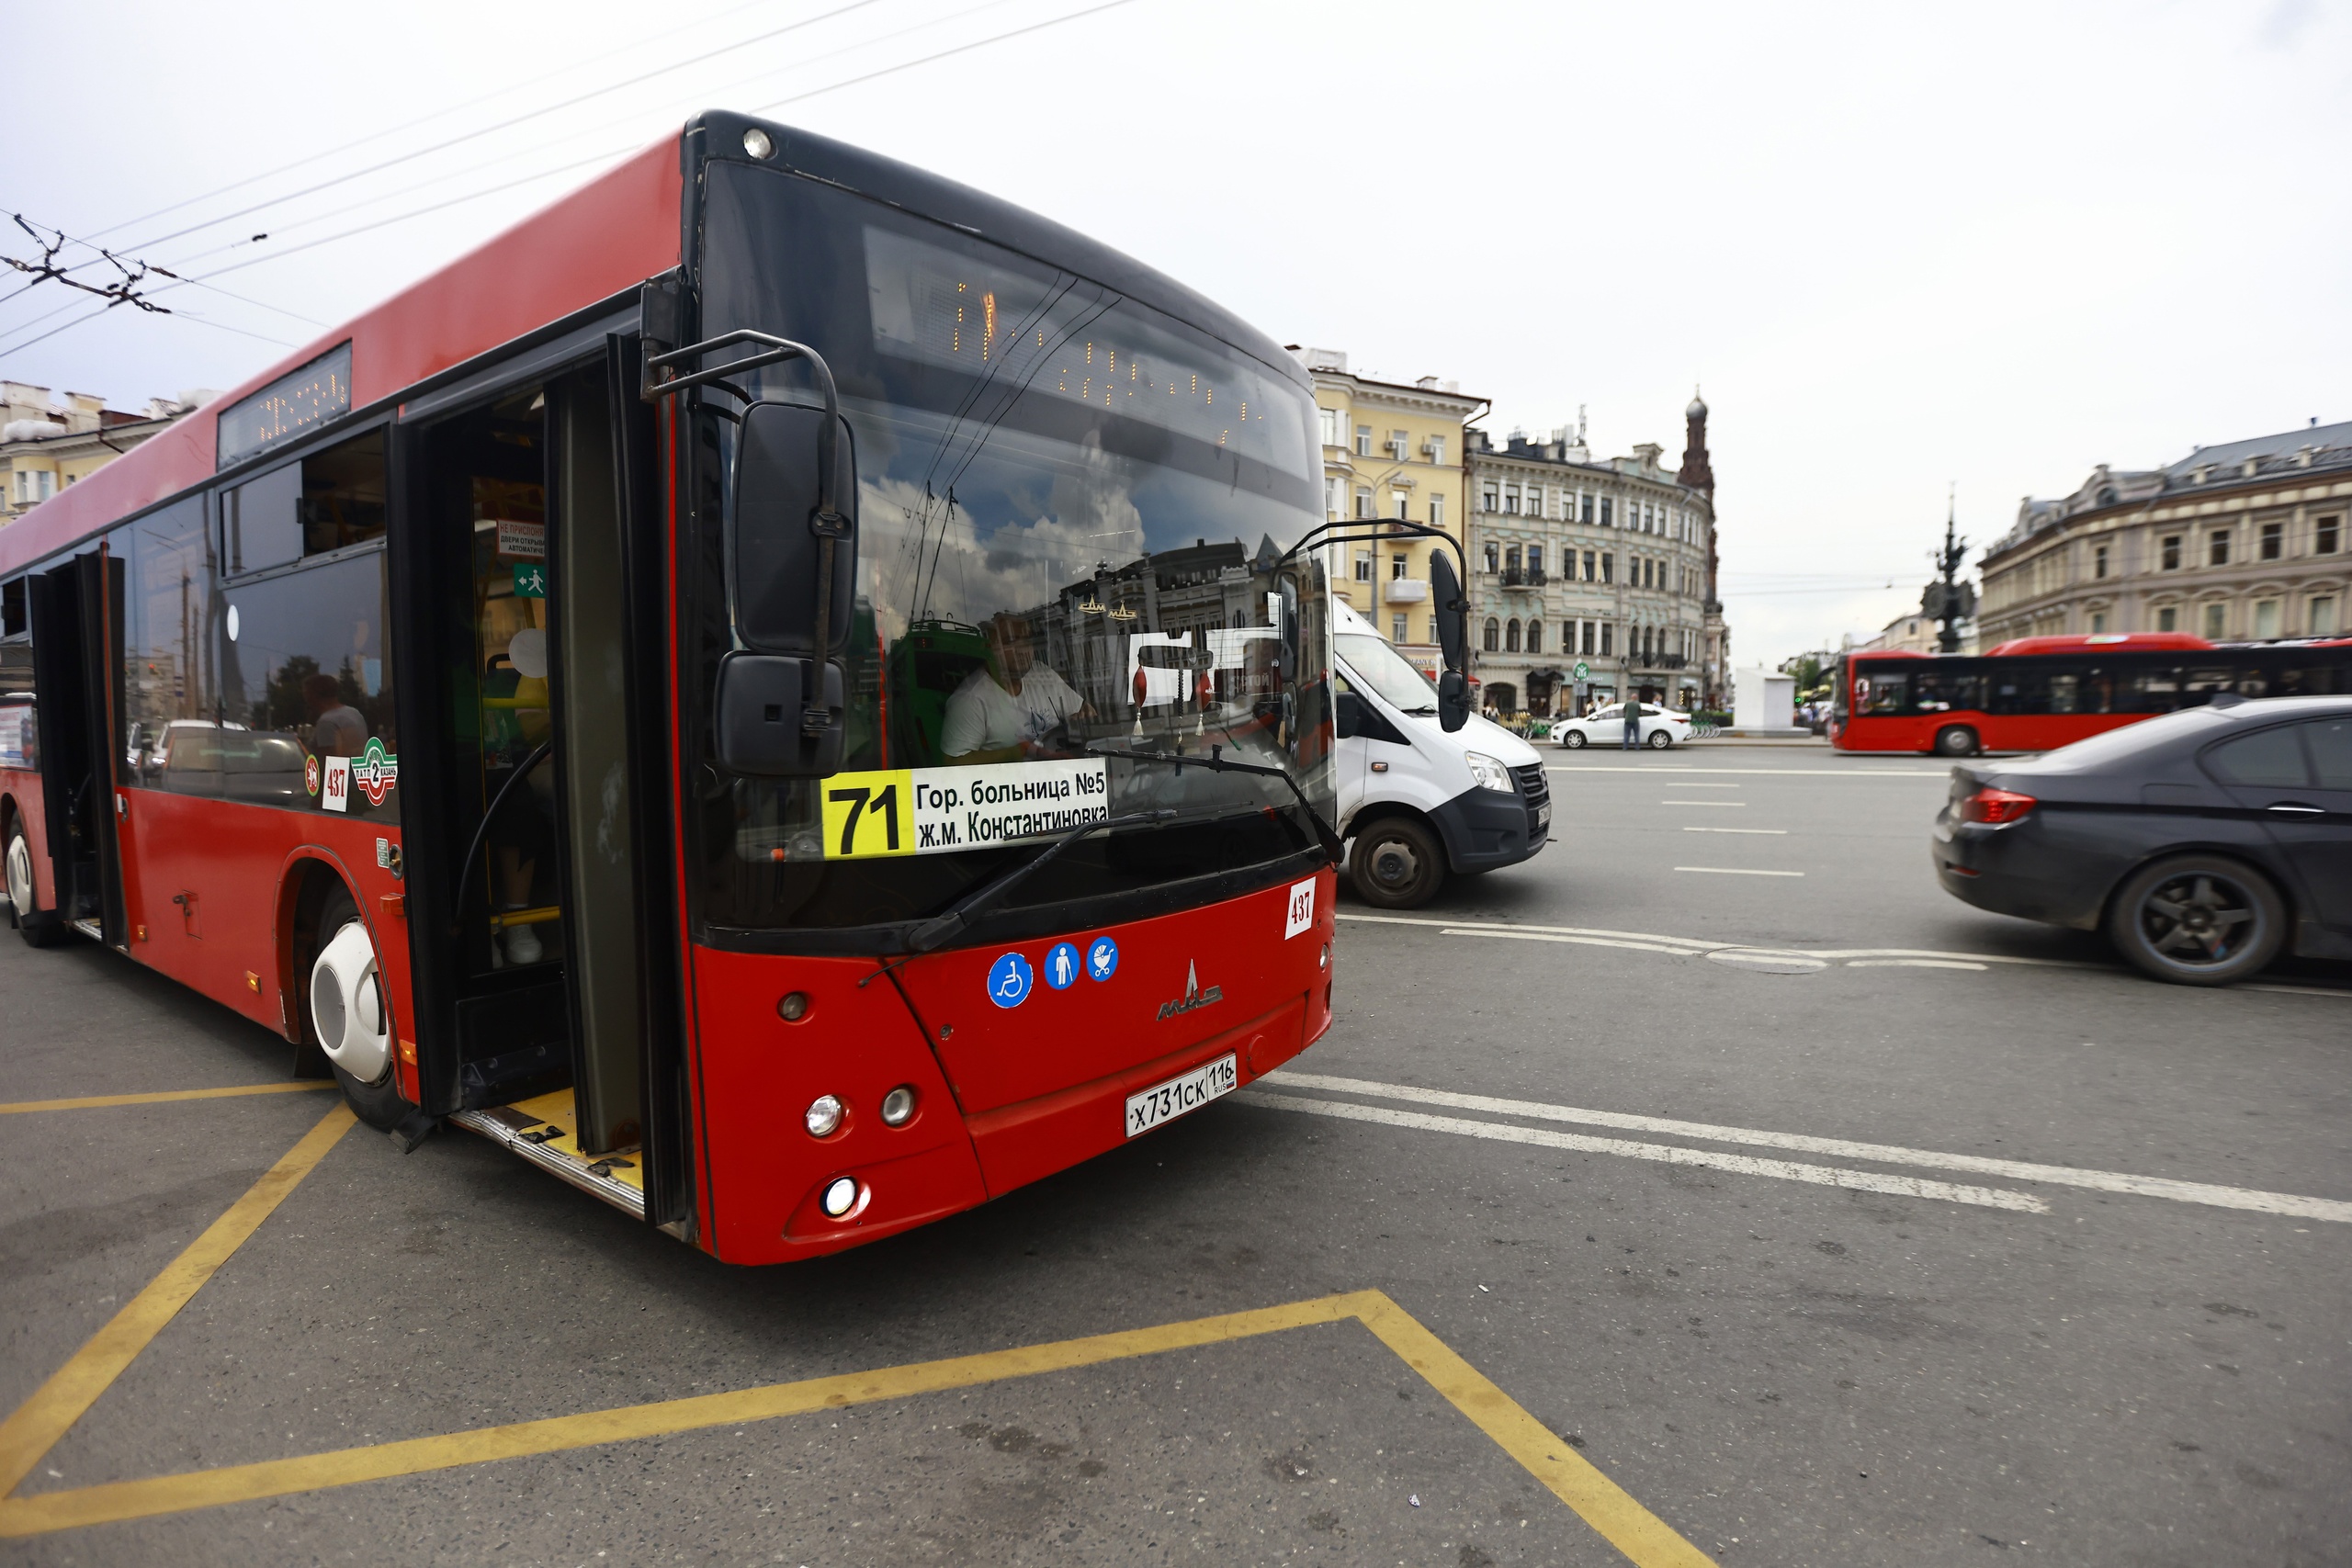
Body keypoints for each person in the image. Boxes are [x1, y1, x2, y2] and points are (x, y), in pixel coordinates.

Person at [941, 614, 1091, 764]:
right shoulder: (971, 699)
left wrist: (1083, 718)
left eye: (1027, 640)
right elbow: (953, 763)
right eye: (1010, 641)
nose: (1022, 649)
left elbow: (1084, 712)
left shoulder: (1043, 675)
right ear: (989, 648)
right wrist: (1018, 751)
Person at [302, 672, 367, 759]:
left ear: (313, 695)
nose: (305, 699)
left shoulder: (326, 722)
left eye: (306, 693)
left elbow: (330, 763)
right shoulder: (354, 713)